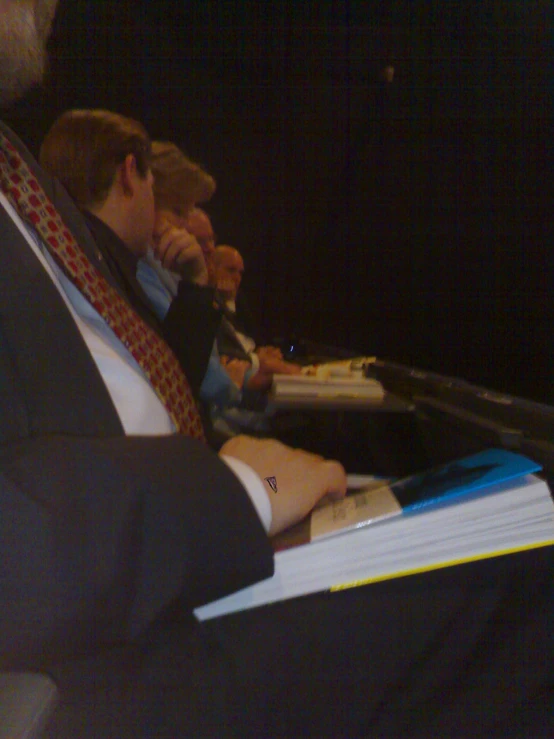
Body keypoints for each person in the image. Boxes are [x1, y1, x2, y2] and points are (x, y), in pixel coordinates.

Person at [1, 4, 552, 737]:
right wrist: (233, 492)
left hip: (154, 572)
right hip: (103, 652)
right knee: (522, 595)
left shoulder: (33, 199)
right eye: (181, 208)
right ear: (133, 177)